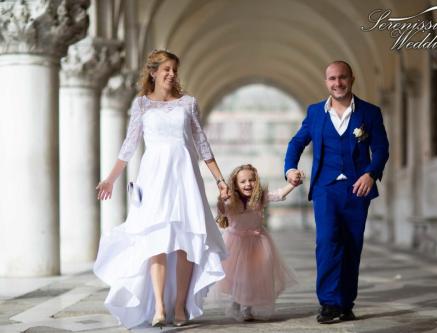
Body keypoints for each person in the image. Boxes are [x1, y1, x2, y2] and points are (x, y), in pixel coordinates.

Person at [94, 49, 228, 329]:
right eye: (166, 69)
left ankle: (180, 305)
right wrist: (110, 179)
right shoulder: (141, 105)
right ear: (153, 72)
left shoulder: (188, 103)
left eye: (174, 70)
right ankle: (158, 306)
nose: (171, 74)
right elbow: (129, 145)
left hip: (185, 177)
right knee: (156, 241)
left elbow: (202, 145)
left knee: (185, 243)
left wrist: (219, 179)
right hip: (154, 178)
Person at [284, 61, 389, 324]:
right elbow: (297, 142)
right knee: (328, 241)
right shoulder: (315, 113)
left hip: (357, 188)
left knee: (352, 245)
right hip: (325, 189)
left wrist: (370, 173)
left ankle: (346, 303)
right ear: (326, 82)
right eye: (332, 78)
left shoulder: (369, 112)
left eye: (342, 78)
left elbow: (381, 148)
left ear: (351, 79)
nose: (337, 83)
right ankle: (330, 303)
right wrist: (289, 168)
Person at [215, 164, 300, 321]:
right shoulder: (231, 201)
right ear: (235, 184)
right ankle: (235, 301)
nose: (248, 184)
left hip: (258, 244)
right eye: (243, 181)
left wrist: (292, 184)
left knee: (253, 277)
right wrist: (221, 199)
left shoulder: (260, 197)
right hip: (236, 243)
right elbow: (222, 210)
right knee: (237, 276)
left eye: (251, 180)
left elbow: (279, 195)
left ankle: (247, 307)